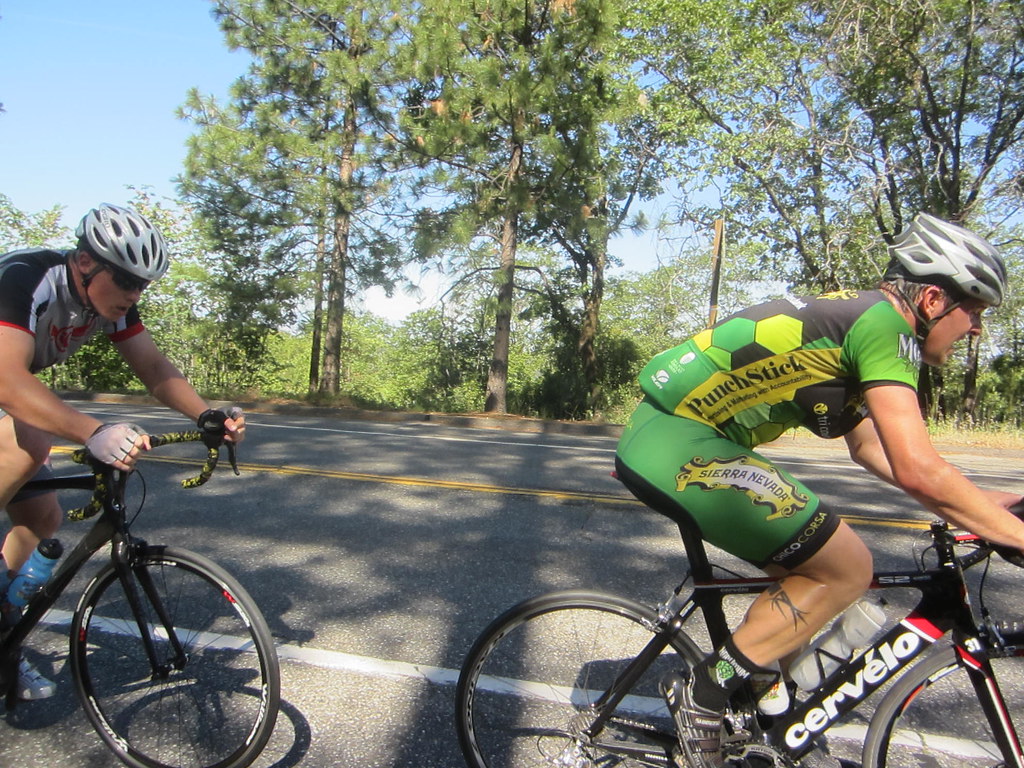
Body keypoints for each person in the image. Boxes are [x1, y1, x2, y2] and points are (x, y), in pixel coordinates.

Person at [614, 213, 1024, 768]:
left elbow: (871, 447)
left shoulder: (863, 321)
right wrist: (1015, 534)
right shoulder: (886, 328)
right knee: (846, 567)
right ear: (932, 299)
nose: (976, 328)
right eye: (974, 311)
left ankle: (771, 717)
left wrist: (984, 507)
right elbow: (917, 468)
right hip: (674, 440)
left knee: (810, 576)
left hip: (680, 438)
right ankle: (705, 693)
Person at [0, 203, 245, 700]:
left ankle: (4, 637)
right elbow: (7, 379)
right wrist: (93, 431)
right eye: (128, 281)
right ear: (85, 262)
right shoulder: (27, 278)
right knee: (31, 443)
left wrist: (205, 415)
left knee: (42, 517)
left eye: (143, 286)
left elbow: (153, 367)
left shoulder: (108, 304)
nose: (135, 294)